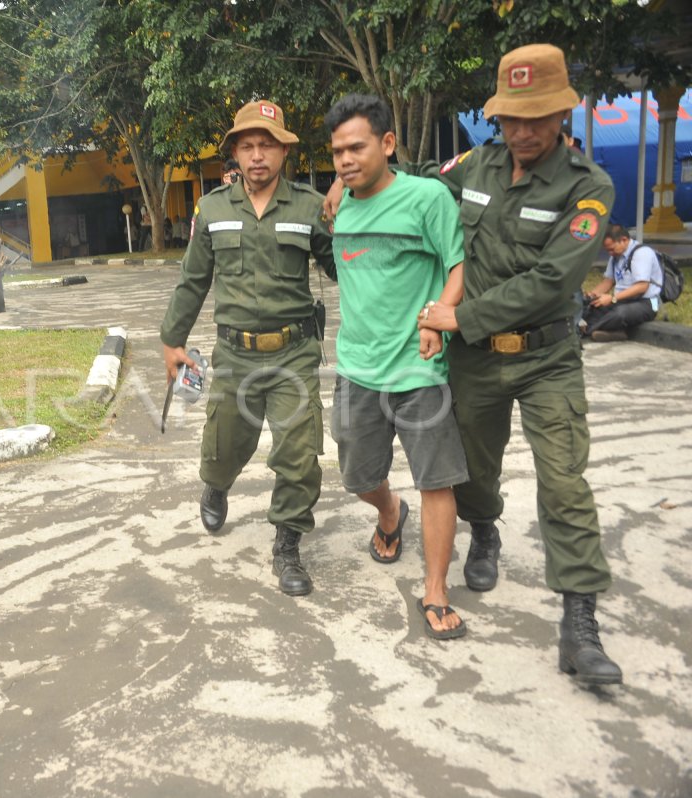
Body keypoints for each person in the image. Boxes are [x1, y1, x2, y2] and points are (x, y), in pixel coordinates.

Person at [331, 44, 620, 684]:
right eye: (511, 117)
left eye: (536, 117)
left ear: (561, 112)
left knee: (565, 483)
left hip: (545, 357)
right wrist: (345, 175)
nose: (522, 131)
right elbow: (410, 182)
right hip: (476, 363)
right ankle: (484, 532)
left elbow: (553, 278)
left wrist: (457, 316)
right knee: (474, 472)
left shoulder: (588, 187)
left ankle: (580, 624)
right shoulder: (475, 166)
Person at [161, 99, 335, 596]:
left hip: (294, 352)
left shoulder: (309, 207)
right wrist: (172, 342)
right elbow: (192, 281)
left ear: (284, 152)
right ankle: (215, 485)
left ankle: (287, 543)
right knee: (224, 445)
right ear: (235, 153)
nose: (258, 156)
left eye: (268, 146)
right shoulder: (212, 209)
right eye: (249, 146)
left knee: (300, 453)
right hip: (234, 353)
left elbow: (344, 267)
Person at [325, 94, 469, 639]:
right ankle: (389, 513)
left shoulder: (427, 198)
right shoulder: (337, 205)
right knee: (358, 476)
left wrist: (436, 320)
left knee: (438, 480)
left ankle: (435, 588)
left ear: (387, 144)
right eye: (337, 151)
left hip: (419, 370)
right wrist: (341, 189)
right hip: (357, 368)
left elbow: (457, 266)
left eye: (356, 147)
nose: (344, 160)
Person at [580, 224, 662, 342]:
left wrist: (612, 298)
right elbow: (608, 281)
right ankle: (614, 332)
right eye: (607, 250)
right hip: (622, 300)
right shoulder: (615, 256)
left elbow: (642, 286)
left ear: (624, 240)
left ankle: (586, 331)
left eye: (611, 249)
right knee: (592, 309)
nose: (610, 253)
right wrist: (591, 296)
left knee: (620, 314)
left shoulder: (642, 253)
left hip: (648, 302)